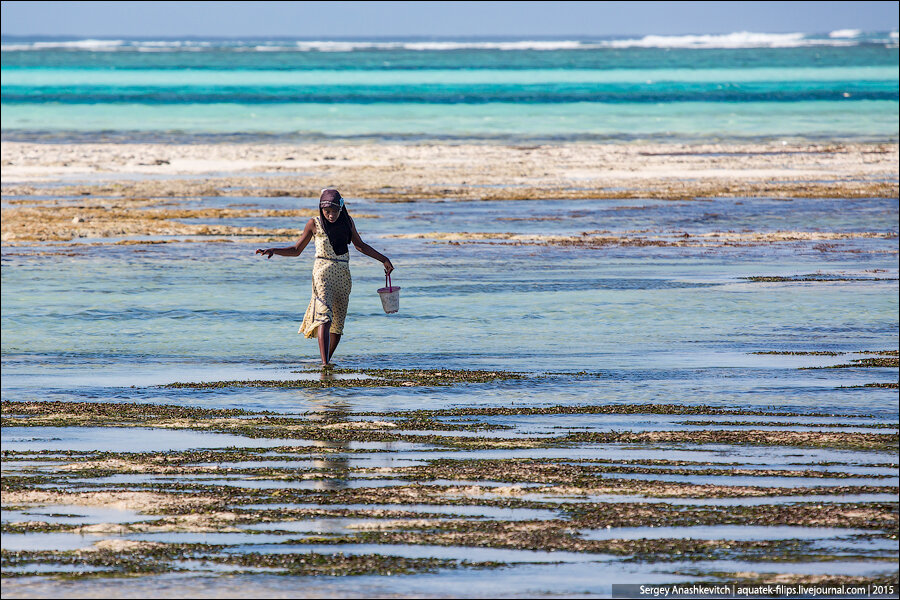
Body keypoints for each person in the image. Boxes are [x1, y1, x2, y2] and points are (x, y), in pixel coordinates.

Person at [256, 189, 394, 368]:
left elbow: (360, 246)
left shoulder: (347, 222)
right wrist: (275, 250)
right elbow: (297, 250)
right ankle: (324, 363)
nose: (330, 215)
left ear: (341, 208)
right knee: (324, 317)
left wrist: (384, 259)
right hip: (322, 274)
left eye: (333, 211)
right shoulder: (314, 223)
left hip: (343, 275)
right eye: (326, 211)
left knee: (338, 323)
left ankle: (326, 361)